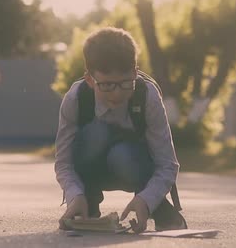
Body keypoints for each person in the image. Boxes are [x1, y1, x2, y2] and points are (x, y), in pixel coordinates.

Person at [55, 26, 187, 233]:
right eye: (107, 85)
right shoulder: (76, 99)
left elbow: (167, 164)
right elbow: (64, 163)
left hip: (134, 168)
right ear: (90, 79)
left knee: (121, 155)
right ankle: (86, 203)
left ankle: (157, 207)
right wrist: (74, 195)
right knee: (97, 134)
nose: (116, 94)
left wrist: (147, 199)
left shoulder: (147, 95)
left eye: (126, 83)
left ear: (135, 72)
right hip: (90, 170)